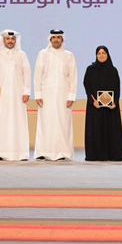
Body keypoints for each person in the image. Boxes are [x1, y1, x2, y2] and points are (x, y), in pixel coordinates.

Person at [33, 29, 77, 161]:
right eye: (54, 37)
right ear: (50, 39)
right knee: (45, 122)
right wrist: (38, 94)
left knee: (63, 123)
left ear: (62, 40)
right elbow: (37, 75)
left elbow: (73, 76)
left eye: (59, 37)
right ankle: (43, 151)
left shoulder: (69, 55)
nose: (56, 40)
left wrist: (71, 96)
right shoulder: (43, 54)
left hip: (64, 95)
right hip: (46, 95)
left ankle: (63, 152)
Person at [0, 30, 31, 161]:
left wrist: (27, 92)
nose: (10, 41)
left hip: (18, 96)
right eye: (8, 39)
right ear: (3, 41)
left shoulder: (22, 55)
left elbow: (27, 74)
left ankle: (21, 153)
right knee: (1, 121)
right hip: (2, 96)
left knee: (19, 121)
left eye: (12, 39)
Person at [83, 46, 122, 161]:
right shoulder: (90, 70)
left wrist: (115, 102)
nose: (101, 55)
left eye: (104, 53)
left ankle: (113, 154)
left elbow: (117, 88)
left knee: (111, 130)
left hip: (111, 108)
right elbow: (87, 86)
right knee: (96, 130)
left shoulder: (113, 70)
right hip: (95, 107)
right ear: (96, 56)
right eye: (99, 53)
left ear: (108, 55)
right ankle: (95, 154)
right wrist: (93, 101)